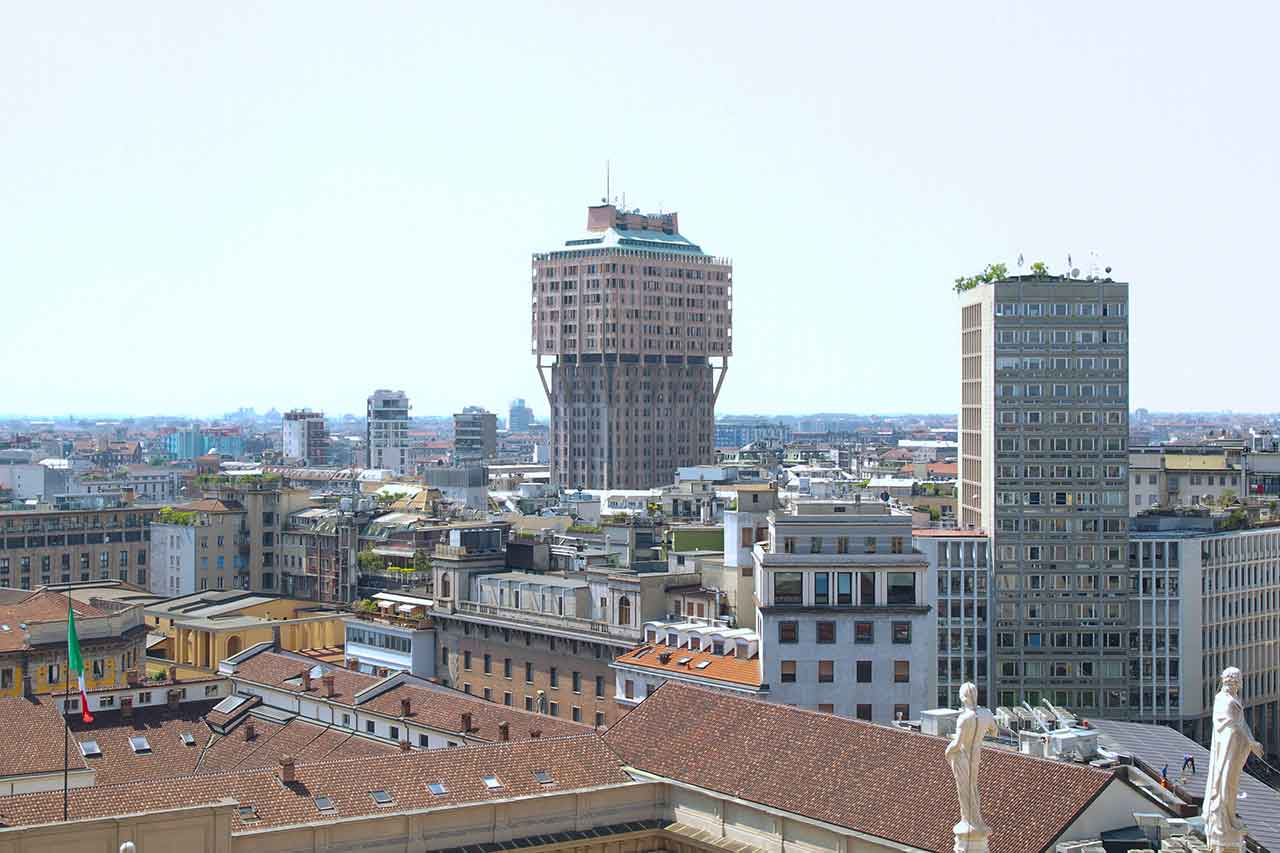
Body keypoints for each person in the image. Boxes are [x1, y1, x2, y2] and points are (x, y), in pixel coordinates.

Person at [1203, 667, 1264, 849]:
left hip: (1236, 747)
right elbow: (1234, 725)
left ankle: (1229, 815)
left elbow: (1241, 723)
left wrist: (1252, 742)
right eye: (1231, 682)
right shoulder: (1224, 700)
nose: (1234, 685)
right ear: (1226, 682)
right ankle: (1226, 817)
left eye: (1236, 682)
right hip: (1227, 749)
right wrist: (1251, 744)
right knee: (1226, 782)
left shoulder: (1233, 698)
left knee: (1232, 783)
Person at [945, 682, 998, 838]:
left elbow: (957, 743)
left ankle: (969, 820)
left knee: (964, 790)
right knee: (972, 787)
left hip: (962, 755)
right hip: (976, 754)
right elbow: (994, 732)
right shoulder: (987, 713)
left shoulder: (964, 718)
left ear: (963, 698)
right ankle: (975, 819)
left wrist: (947, 752)